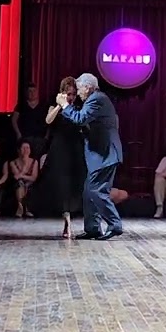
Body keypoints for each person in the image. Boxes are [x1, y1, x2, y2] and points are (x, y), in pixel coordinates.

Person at [57, 73, 124, 241]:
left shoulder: (97, 99)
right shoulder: (95, 99)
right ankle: (93, 228)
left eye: (79, 89)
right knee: (89, 192)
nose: (78, 93)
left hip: (105, 154)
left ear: (87, 87)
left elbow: (80, 118)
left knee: (96, 190)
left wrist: (65, 106)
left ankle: (115, 224)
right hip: (100, 155)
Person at [42, 76, 86, 239]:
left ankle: (72, 219)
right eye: (68, 94)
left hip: (75, 150)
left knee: (74, 186)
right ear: (62, 93)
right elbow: (48, 120)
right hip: (59, 151)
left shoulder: (78, 108)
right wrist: (60, 106)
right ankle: (66, 220)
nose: (71, 97)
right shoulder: (56, 106)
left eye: (74, 94)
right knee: (62, 186)